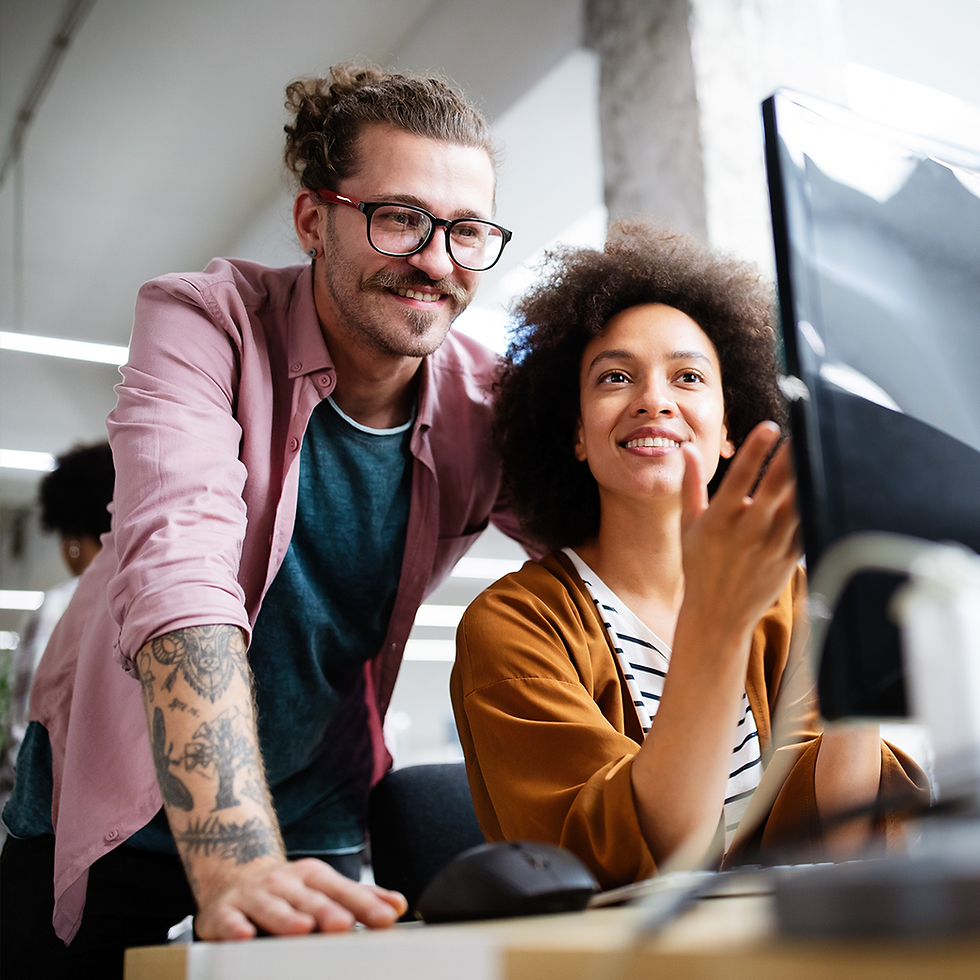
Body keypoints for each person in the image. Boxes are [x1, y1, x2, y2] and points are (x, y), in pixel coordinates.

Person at [1, 62, 528, 977]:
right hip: (117, 811)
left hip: (317, 814)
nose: (439, 261)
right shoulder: (206, 322)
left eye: (468, 231)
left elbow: (610, 558)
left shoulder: (487, 402)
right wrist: (235, 854)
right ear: (313, 220)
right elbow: (179, 569)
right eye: (401, 218)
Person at [451, 222, 929, 889]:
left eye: (688, 376)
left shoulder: (790, 598)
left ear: (729, 427)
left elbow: (841, 831)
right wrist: (716, 618)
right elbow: (626, 858)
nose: (654, 400)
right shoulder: (514, 626)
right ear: (577, 434)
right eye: (616, 377)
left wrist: (859, 622)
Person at [0, 442, 114, 808]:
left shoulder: (62, 604)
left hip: (48, 819)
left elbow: (29, 728)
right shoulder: (140, 598)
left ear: (71, 540)